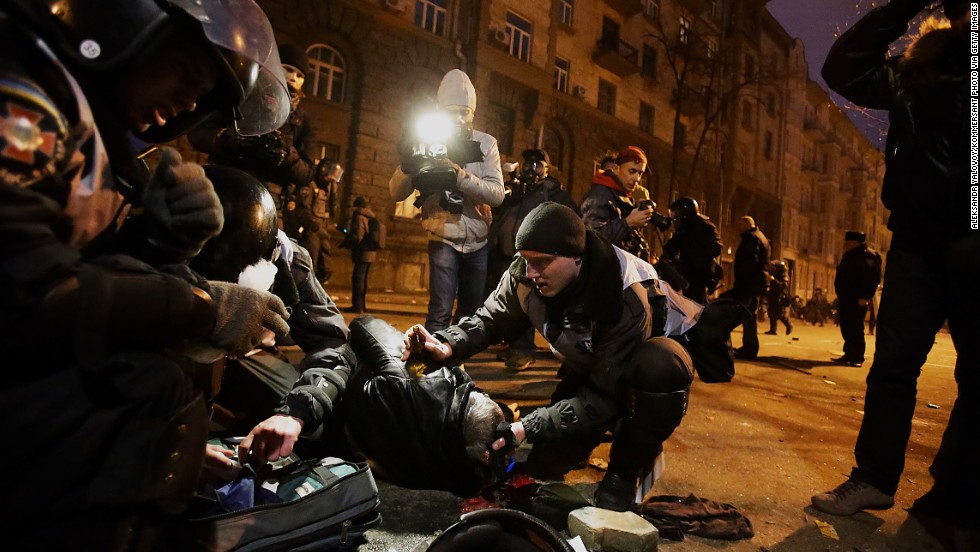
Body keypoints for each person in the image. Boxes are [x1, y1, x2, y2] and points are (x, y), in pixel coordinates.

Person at [0, 0, 293, 547]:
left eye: (203, 94)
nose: (189, 102)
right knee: (150, 387)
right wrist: (203, 306)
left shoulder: (86, 124)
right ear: (127, 25)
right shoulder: (27, 94)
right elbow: (23, 290)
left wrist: (159, 242)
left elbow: (86, 268)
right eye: (186, 73)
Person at [406, 202, 700, 512]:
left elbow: (602, 398)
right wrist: (447, 344)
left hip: (644, 367)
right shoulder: (526, 270)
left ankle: (627, 471)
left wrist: (527, 427)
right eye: (527, 260)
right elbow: (490, 320)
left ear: (577, 258)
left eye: (543, 262)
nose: (532, 272)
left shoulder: (625, 295)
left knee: (659, 368)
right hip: (595, 366)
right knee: (548, 462)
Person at [812, 0, 978, 535]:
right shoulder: (917, 72)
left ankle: (954, 491)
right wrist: (904, 5)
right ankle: (875, 479)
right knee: (893, 368)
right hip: (916, 244)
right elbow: (842, 68)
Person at [238, 315, 509, 497]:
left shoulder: (425, 379)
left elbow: (363, 325)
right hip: (329, 447)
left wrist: (424, 359)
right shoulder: (461, 474)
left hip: (325, 393)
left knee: (329, 339)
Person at [188, 166, 351, 434]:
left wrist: (297, 413)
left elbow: (332, 342)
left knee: (319, 426)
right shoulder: (153, 251)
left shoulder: (289, 262)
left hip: (250, 357)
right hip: (176, 359)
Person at [389, 69, 505, 332]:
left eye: (465, 112)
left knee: (470, 312)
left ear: (473, 113)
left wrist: (459, 176)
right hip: (442, 237)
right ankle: (433, 367)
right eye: (452, 112)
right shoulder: (426, 141)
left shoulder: (485, 143)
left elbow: (497, 194)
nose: (459, 118)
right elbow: (396, 194)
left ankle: (456, 361)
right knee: (440, 310)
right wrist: (408, 165)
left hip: (478, 241)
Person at [189, 42, 316, 212]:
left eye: (300, 75)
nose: (293, 78)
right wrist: (229, 140)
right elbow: (199, 132)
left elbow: (307, 173)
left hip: (269, 203)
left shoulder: (302, 120)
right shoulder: (243, 94)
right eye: (288, 69)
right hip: (225, 188)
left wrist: (286, 156)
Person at [487, 148, 578, 370]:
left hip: (532, 260)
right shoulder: (517, 190)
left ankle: (523, 350)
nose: (532, 171)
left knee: (527, 303)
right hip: (504, 256)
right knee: (508, 304)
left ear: (547, 171)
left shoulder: (554, 193)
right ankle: (512, 345)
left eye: (538, 166)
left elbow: (571, 219)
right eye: (528, 165)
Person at [580, 146, 661, 262]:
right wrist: (628, 222)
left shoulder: (622, 194)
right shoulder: (600, 193)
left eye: (640, 173)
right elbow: (592, 238)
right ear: (616, 169)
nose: (637, 178)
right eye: (632, 171)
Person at [720, 216, 770, 360]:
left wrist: (742, 283)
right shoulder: (760, 237)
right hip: (756, 282)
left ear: (748, 225)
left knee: (747, 315)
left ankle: (749, 349)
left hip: (751, 283)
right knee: (748, 315)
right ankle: (749, 348)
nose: (738, 228)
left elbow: (749, 262)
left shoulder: (752, 238)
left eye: (740, 225)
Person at [831, 231, 882, 367]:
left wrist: (865, 296)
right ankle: (849, 353)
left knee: (856, 327)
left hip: (858, 298)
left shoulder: (868, 256)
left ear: (855, 242)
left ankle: (857, 357)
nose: (845, 245)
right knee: (846, 326)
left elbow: (872, 278)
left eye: (847, 242)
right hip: (846, 297)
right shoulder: (849, 256)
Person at [663, 197, 723, 304]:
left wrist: (696, 260)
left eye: (676, 217)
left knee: (696, 309)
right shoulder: (683, 230)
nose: (674, 221)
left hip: (699, 278)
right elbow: (670, 249)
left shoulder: (704, 228)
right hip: (686, 278)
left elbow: (716, 248)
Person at [345, 196, 378, 314]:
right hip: (371, 252)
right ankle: (362, 305)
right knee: (362, 279)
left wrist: (349, 243)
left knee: (358, 279)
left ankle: (357, 306)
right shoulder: (370, 216)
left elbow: (358, 235)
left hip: (363, 252)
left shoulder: (359, 217)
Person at [764, 260, 793, 335]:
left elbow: (783, 285)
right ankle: (773, 329)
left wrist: (774, 280)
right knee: (771, 313)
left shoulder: (784, 275)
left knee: (779, 314)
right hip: (773, 295)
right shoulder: (775, 274)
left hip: (779, 296)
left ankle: (789, 325)